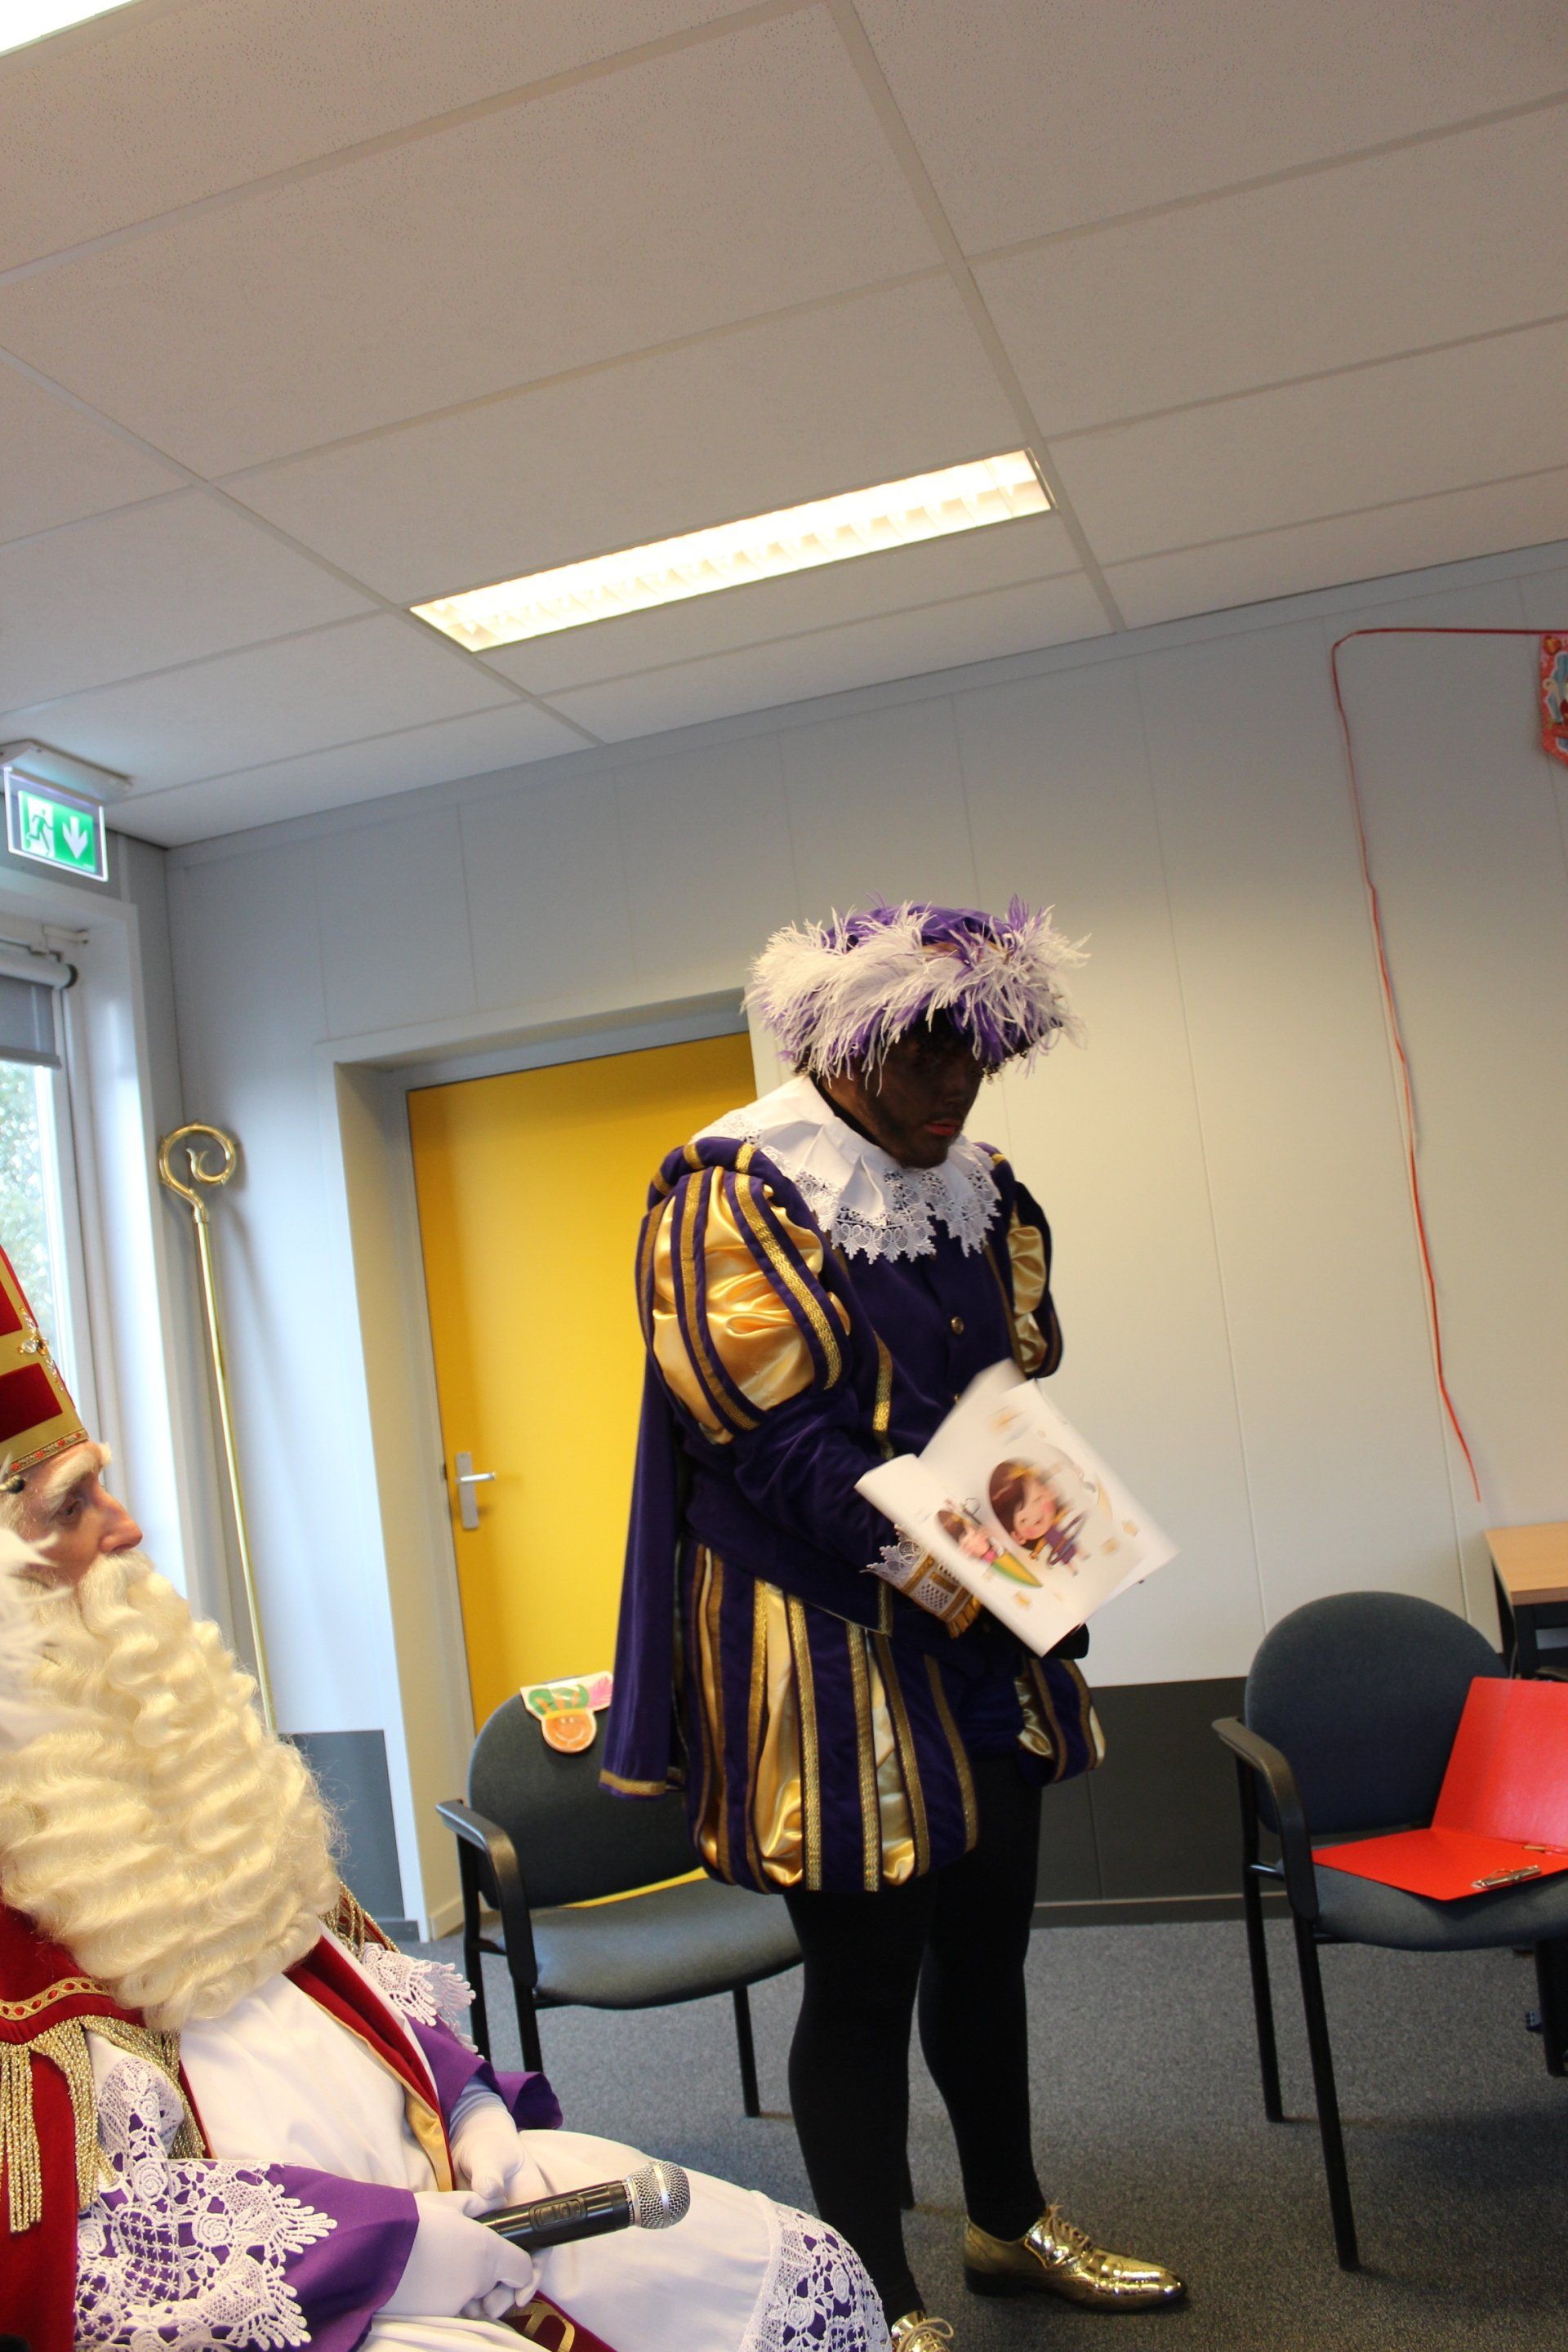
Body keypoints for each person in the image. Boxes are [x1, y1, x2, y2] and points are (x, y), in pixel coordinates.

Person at [0, 1243, 886, 2352]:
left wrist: (468, 2103)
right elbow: (66, 2254)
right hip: (286, 2288)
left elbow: (340, 1967)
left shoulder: (154, 1757)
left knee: (795, 2268)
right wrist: (383, 2247)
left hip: (436, 2174)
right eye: (74, 1507)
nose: (127, 1527)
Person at [604, 901, 1184, 2349]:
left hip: (979, 1624)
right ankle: (877, 2295)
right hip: (825, 1632)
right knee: (861, 1979)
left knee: (987, 1945)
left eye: (975, 1059)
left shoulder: (978, 1187)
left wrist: (1050, 1550)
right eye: (924, 1058)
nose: (954, 1089)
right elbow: (771, 1440)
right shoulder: (737, 1187)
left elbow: (1001, 1396)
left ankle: (1006, 2221)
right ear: (842, 1047)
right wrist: (975, 1572)